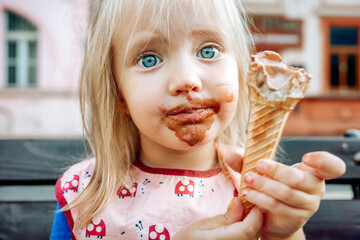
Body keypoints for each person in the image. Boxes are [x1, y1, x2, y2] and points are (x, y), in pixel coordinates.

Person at [50, 0, 346, 239]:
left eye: (208, 51)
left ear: (243, 73)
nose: (186, 80)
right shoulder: (84, 196)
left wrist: (285, 234)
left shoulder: (259, 190)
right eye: (149, 59)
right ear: (118, 94)